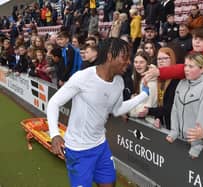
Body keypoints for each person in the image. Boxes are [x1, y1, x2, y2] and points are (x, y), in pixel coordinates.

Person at [47, 38, 150, 187]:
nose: (128, 62)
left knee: (109, 184)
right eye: (124, 57)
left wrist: (143, 95)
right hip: (78, 150)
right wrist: (55, 134)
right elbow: (54, 103)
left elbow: (117, 109)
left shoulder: (119, 81)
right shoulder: (82, 77)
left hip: (101, 145)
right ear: (110, 56)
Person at [166, 52, 203, 158]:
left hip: (197, 145)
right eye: (185, 65)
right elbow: (175, 108)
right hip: (181, 139)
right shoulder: (182, 82)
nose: (186, 69)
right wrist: (174, 131)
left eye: (191, 66)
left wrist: (196, 145)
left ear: (202, 69)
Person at [138, 47, 179, 130]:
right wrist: (158, 117)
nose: (161, 61)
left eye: (165, 58)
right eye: (159, 59)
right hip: (163, 123)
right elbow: (160, 102)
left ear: (172, 59)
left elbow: (169, 107)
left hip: (174, 127)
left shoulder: (176, 80)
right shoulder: (159, 78)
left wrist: (149, 111)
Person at [129, 51, 157, 124]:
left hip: (149, 123)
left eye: (141, 62)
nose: (138, 65)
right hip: (141, 121)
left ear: (147, 63)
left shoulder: (151, 82)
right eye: (136, 62)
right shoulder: (138, 78)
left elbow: (144, 109)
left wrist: (129, 110)